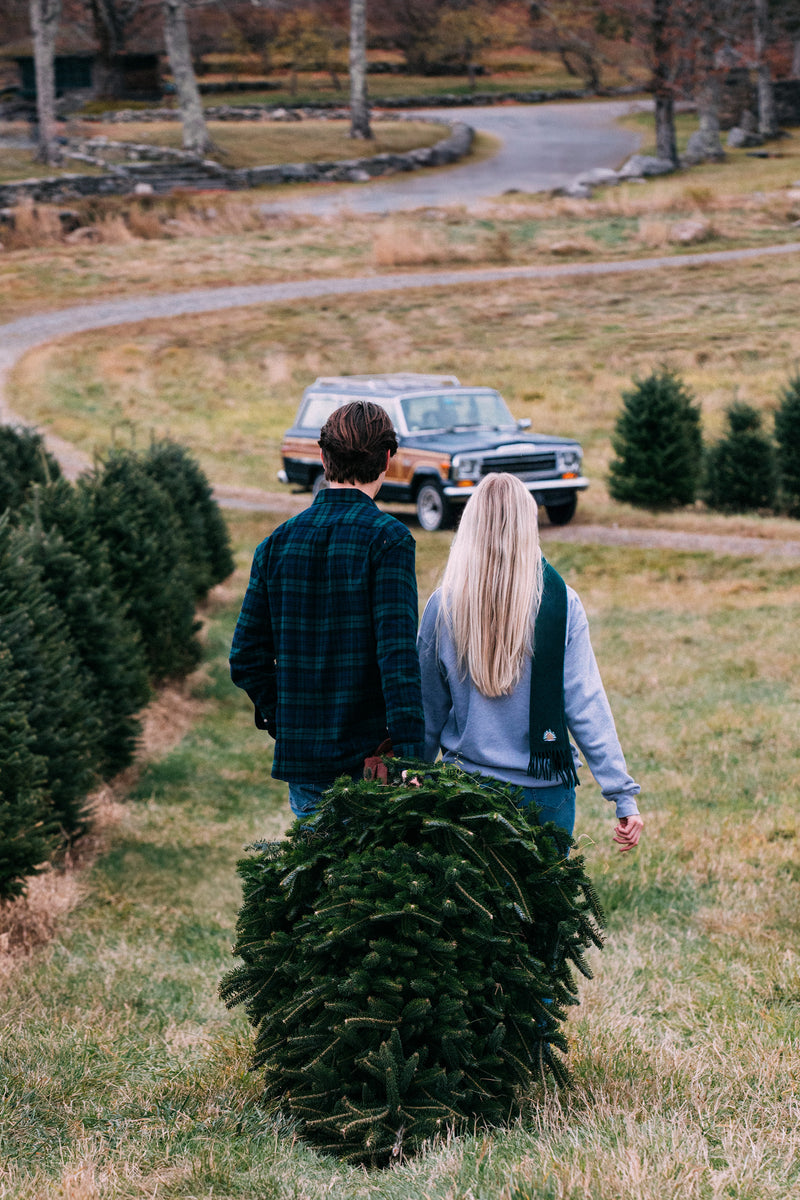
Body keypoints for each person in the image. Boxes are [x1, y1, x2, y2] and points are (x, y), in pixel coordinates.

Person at [417, 473, 643, 851]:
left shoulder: (445, 606)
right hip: (547, 798)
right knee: (545, 911)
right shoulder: (561, 603)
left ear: (470, 525)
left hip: (465, 794)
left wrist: (412, 774)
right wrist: (622, 793)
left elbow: (427, 709)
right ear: (529, 527)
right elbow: (585, 702)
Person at [230, 400, 425, 818]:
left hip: (307, 766)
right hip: (373, 764)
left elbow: (245, 658)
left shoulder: (276, 544)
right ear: (387, 460)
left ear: (322, 457)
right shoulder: (388, 541)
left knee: (321, 882)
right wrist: (412, 759)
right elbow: (398, 659)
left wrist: (285, 722)